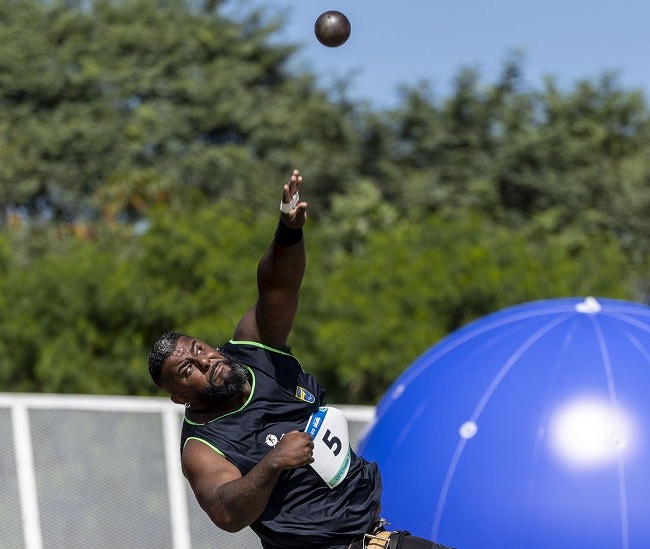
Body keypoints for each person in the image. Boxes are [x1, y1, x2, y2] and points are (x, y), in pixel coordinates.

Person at [147, 170, 454, 549]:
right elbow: (226, 513)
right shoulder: (201, 446)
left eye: (199, 349)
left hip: (375, 535)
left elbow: (278, 285)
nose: (205, 361)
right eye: (187, 370)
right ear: (180, 397)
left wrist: (288, 231)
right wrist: (272, 462)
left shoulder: (255, 348)